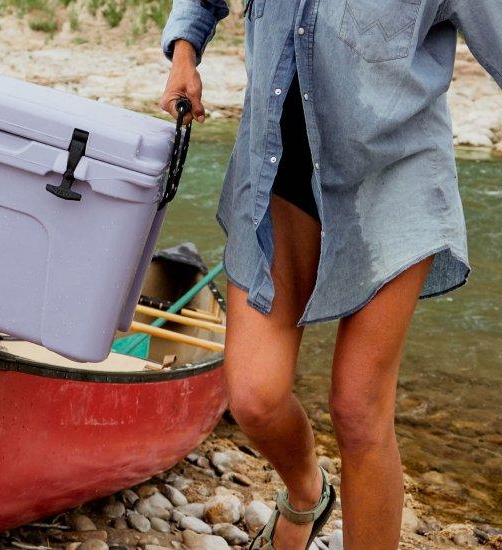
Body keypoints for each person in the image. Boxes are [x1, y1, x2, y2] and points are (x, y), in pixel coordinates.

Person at [159, 1, 499, 548]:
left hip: (392, 184)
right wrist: (184, 55)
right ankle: (306, 492)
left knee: (359, 411)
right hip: (273, 178)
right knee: (254, 398)